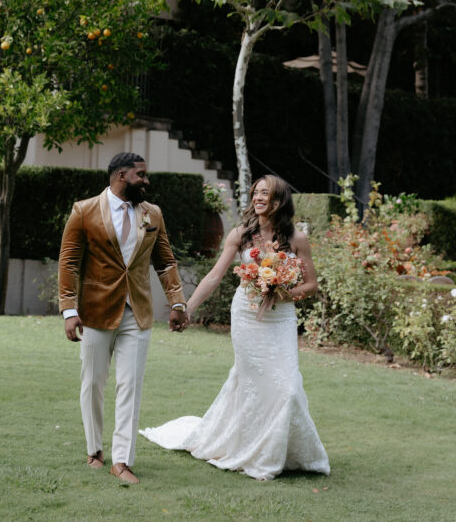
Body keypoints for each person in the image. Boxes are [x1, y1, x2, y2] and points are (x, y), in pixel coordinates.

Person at [140, 174, 330, 481]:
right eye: (255, 193)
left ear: (279, 200)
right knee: (254, 386)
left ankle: (282, 451)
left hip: (280, 319)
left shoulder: (297, 239)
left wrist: (284, 291)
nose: (257, 198)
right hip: (247, 317)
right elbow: (215, 276)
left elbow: (310, 285)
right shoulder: (241, 235)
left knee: (288, 389)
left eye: (264, 193)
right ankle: (257, 453)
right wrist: (186, 308)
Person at [58, 151, 188, 485]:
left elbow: (166, 262)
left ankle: (122, 461)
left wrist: (177, 303)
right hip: (95, 312)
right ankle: (94, 450)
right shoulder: (84, 210)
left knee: (131, 385)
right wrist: (69, 310)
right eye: (141, 175)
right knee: (93, 383)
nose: (146, 180)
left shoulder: (152, 213)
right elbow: (69, 262)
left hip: (138, 312)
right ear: (121, 177)